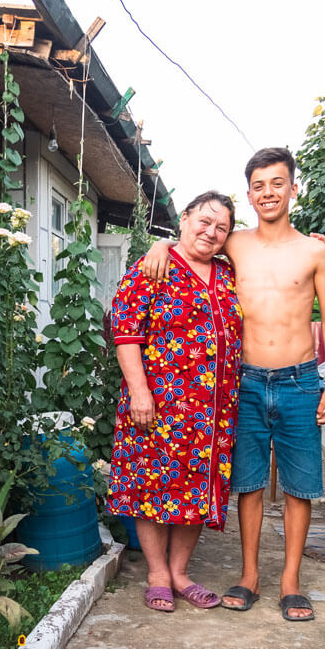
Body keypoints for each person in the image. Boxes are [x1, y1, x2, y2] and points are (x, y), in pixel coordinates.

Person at [142, 148, 325, 621]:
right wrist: (159, 244)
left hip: (299, 382)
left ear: (294, 188)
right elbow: (194, 244)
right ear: (249, 193)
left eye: (278, 183)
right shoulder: (235, 244)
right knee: (248, 484)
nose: (268, 192)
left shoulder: (316, 250)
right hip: (245, 382)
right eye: (259, 185)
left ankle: (290, 580)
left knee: (299, 487)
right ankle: (249, 574)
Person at [107, 191, 243, 612]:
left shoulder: (228, 272)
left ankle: (181, 574)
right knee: (150, 485)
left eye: (221, 227)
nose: (211, 232)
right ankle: (156, 574)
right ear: (183, 219)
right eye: (203, 221)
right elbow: (126, 333)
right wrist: (139, 392)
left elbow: (273, 248)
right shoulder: (154, 266)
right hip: (158, 404)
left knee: (195, 491)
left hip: (214, 412)